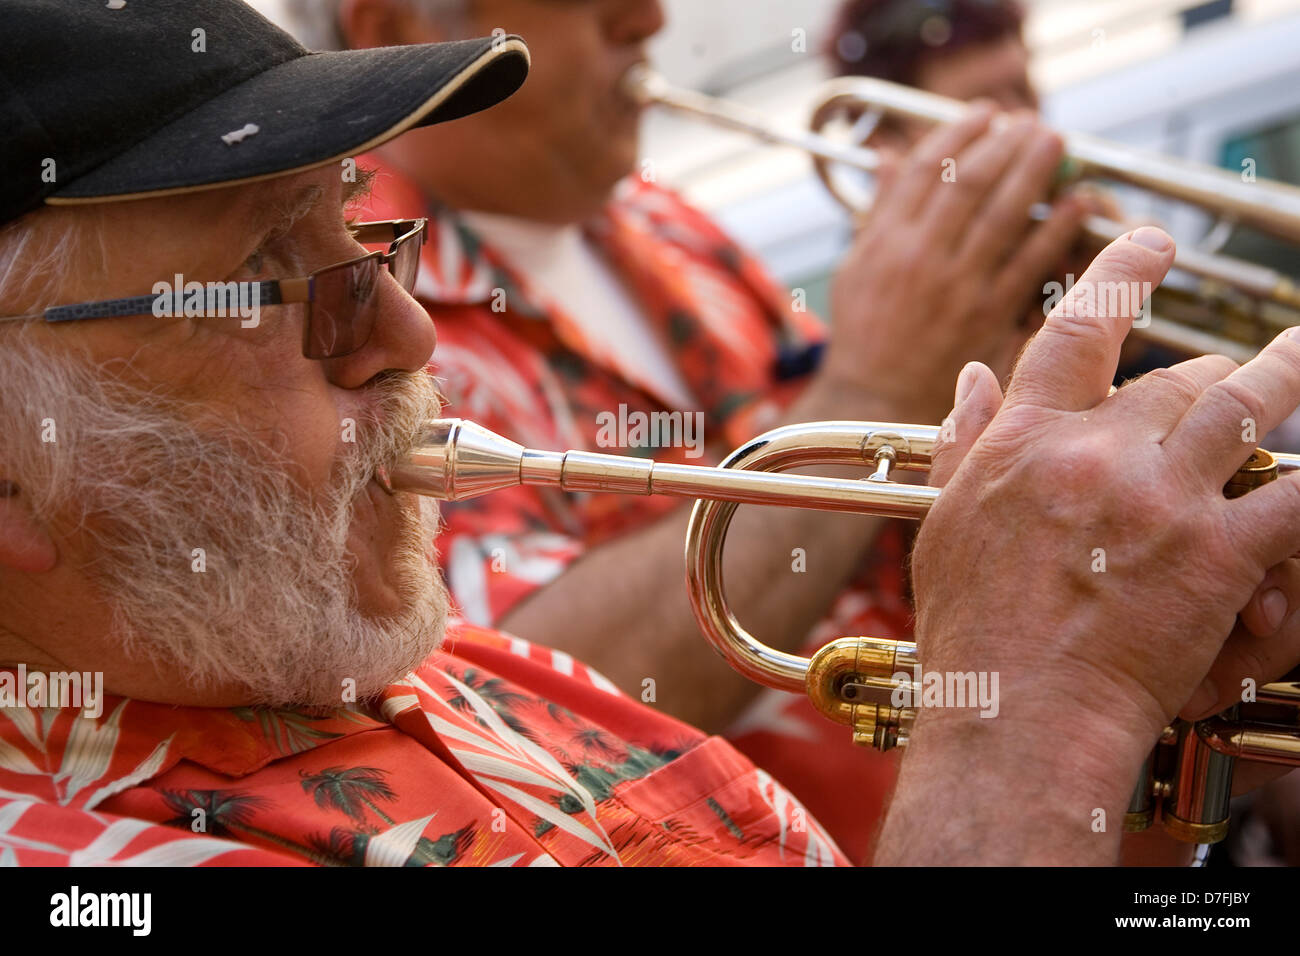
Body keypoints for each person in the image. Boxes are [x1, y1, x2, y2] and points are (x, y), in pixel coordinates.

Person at [2, 0, 1296, 869]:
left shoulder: (424, 654)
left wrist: (1126, 711)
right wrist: (1034, 722)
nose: (412, 337)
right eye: (281, 278)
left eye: (360, 231)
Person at [280, 0, 1089, 861]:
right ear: (398, 28)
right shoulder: (351, 321)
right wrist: (882, 381)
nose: (650, 17)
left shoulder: (664, 220)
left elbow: (877, 492)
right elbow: (507, 706)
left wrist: (1001, 364)